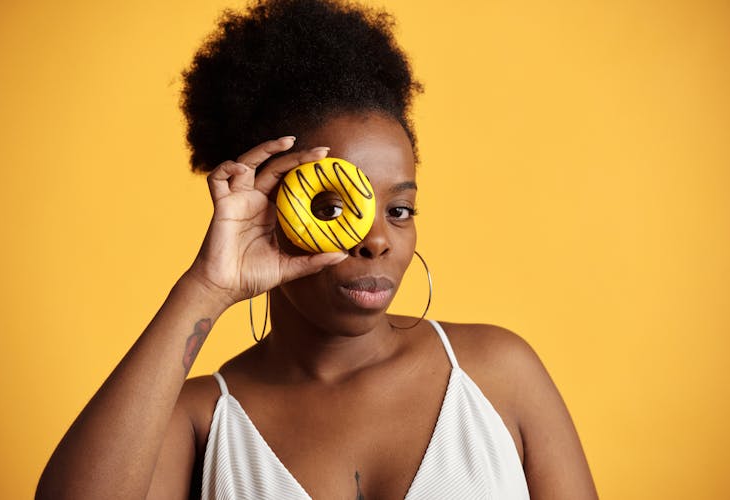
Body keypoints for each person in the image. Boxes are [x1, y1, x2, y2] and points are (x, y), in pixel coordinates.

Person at [36, 0, 598, 498]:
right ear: (265, 210)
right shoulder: (199, 422)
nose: (376, 240)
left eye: (399, 211)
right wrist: (206, 289)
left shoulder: (499, 375)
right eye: (331, 207)